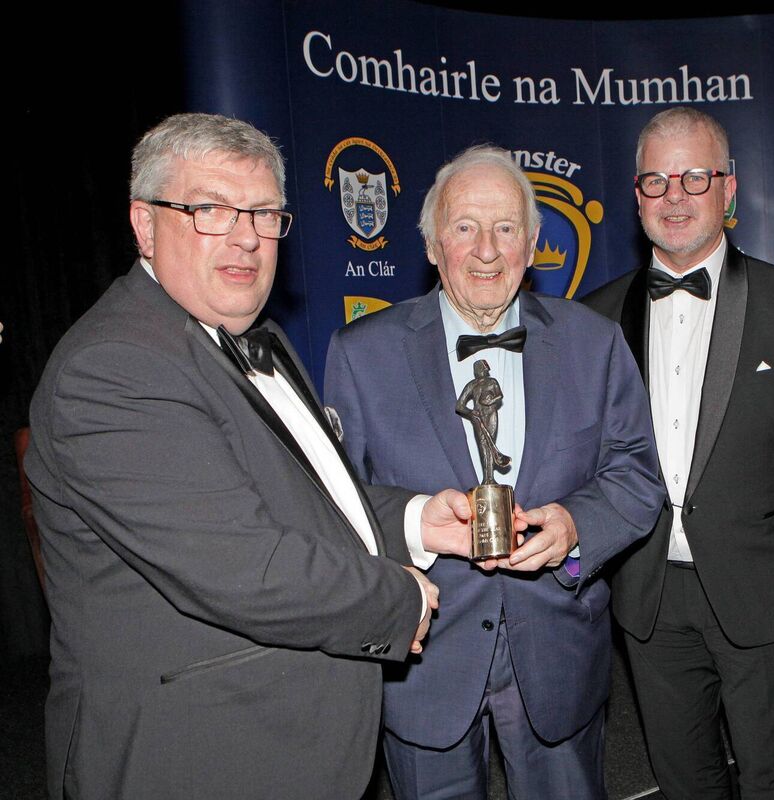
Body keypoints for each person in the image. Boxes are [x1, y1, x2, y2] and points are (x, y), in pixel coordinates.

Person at [23, 112, 468, 799]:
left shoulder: (257, 337)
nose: (246, 238)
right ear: (145, 224)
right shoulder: (114, 367)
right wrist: (399, 596)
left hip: (295, 743)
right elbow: (245, 567)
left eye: (263, 214)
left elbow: (300, 502)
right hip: (201, 757)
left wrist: (412, 521)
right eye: (209, 210)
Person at [324, 145, 663, 799]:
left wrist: (575, 528)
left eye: (506, 228)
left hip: (561, 650)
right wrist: (415, 526)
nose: (486, 250)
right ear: (431, 244)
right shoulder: (361, 355)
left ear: (533, 242)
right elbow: (336, 500)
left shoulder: (594, 344)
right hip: (425, 658)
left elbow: (636, 473)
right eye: (464, 228)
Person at [583, 106, 774, 799]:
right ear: (636, 197)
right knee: (685, 782)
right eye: (655, 181)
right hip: (649, 600)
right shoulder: (594, 318)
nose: (674, 196)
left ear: (730, 189)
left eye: (693, 176)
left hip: (767, 602)